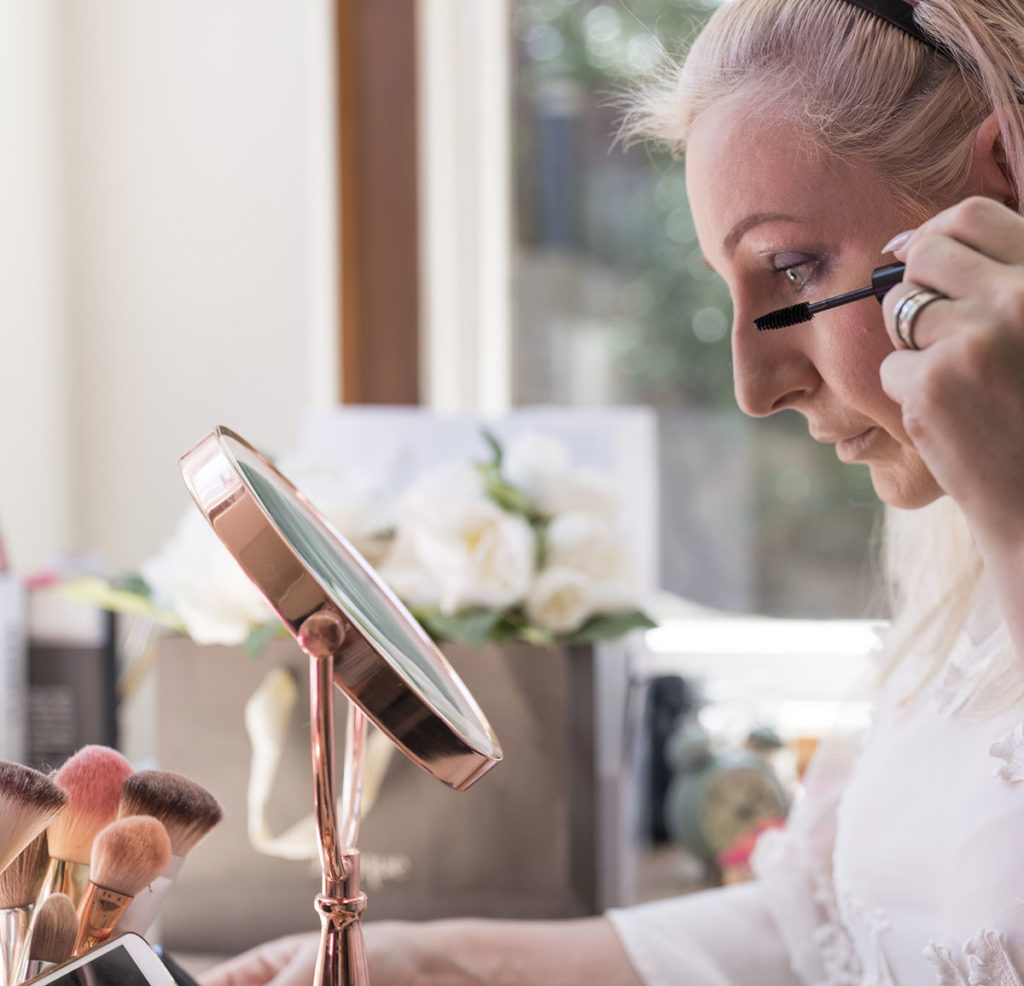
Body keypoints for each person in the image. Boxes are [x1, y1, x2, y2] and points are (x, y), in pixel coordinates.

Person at [200, 0, 1024, 982]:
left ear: (1002, 179)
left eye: (794, 271)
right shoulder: (953, 575)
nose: (753, 389)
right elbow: (822, 937)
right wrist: (438, 959)